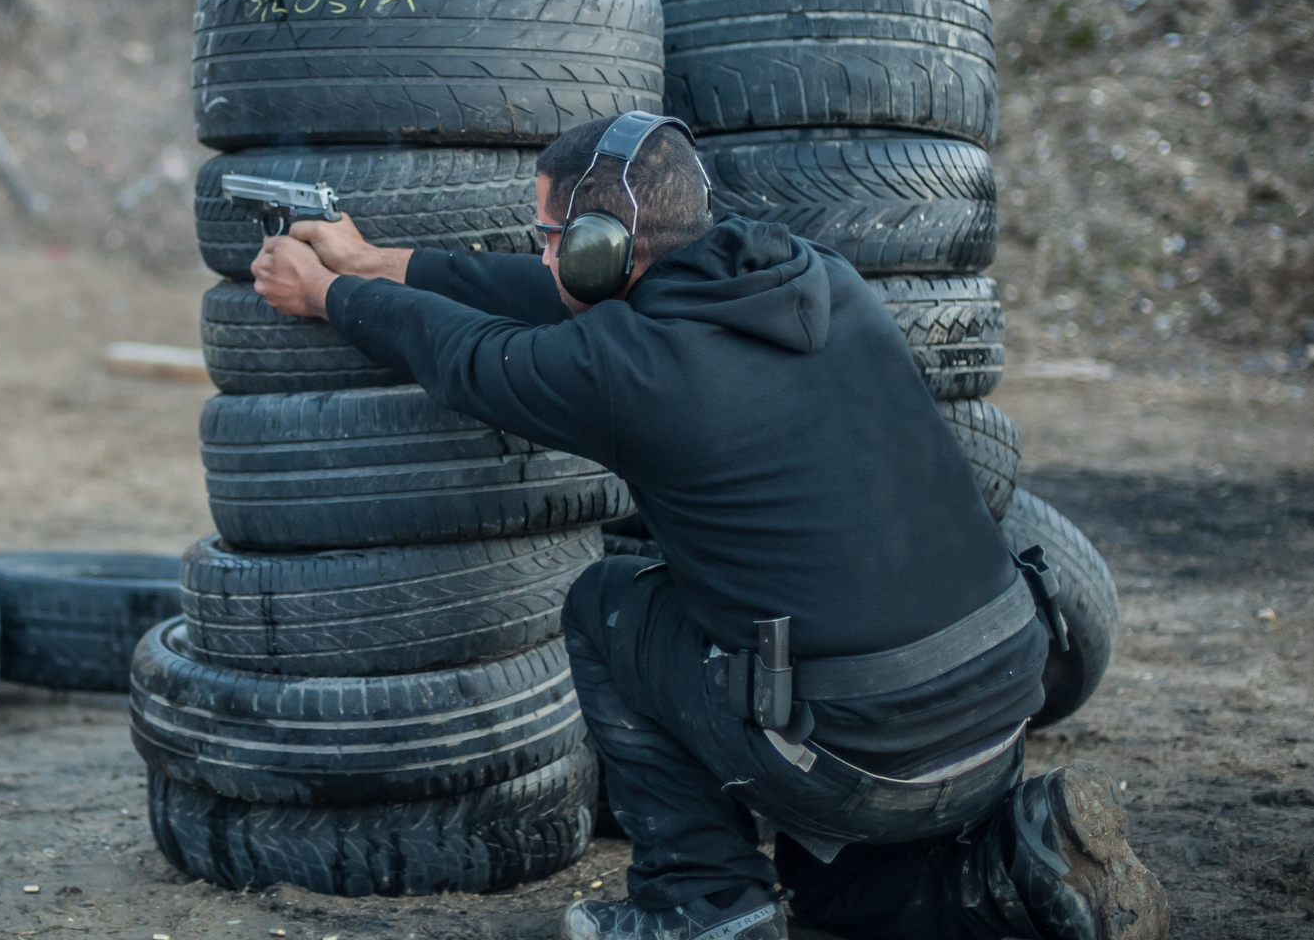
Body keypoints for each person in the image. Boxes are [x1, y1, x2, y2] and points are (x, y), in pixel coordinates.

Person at [247, 113, 1168, 940]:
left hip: (855, 757)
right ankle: (1019, 863)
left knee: (607, 604)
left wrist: (328, 296)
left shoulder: (631, 371)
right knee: (834, 894)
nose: (540, 257)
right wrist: (376, 262)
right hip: (998, 719)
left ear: (602, 248)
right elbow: (560, 300)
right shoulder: (816, 281)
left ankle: (701, 906)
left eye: (550, 238)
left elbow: (468, 356)